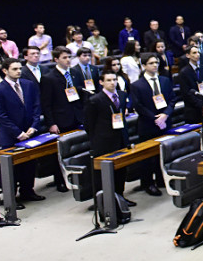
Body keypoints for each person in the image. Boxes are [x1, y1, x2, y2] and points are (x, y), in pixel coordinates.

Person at [0, 58, 46, 202]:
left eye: (20, 68)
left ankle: (28, 191)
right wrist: (18, 133)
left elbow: (36, 106)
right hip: (11, 135)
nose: (19, 71)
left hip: (30, 131)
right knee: (12, 169)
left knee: (29, 164)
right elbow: (0, 116)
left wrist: (33, 126)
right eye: (14, 69)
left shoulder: (28, 85)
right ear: (5, 71)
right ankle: (11, 198)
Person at [83, 71, 134, 206]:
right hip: (103, 141)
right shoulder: (95, 100)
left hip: (121, 138)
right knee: (103, 174)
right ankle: (103, 201)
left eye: (114, 80)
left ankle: (120, 197)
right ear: (101, 82)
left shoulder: (122, 95)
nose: (113, 83)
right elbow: (89, 124)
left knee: (120, 171)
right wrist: (96, 141)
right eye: (109, 80)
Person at [128, 53, 176, 196]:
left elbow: (172, 99)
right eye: (151, 63)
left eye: (156, 62)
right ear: (143, 66)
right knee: (148, 157)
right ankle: (148, 183)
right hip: (148, 124)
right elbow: (139, 106)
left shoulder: (165, 80)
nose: (155, 65)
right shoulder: (137, 85)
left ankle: (161, 179)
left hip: (165, 121)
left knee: (164, 153)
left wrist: (165, 114)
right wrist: (156, 118)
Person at [39, 46, 83, 193]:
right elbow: (46, 103)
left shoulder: (75, 73)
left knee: (77, 149)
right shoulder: (49, 78)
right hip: (61, 119)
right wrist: (51, 123)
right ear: (56, 59)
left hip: (77, 117)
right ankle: (60, 180)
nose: (68, 60)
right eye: (64, 58)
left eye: (69, 57)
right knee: (60, 152)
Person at [177, 47, 203, 124]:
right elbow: (186, 93)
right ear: (188, 55)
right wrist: (201, 105)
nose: (197, 55)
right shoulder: (184, 72)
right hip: (193, 109)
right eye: (194, 53)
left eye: (198, 52)